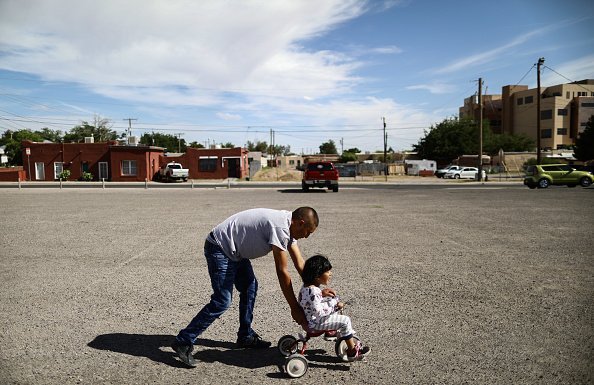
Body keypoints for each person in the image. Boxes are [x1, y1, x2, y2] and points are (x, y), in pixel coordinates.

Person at [171, 207, 321, 367]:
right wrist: (294, 307)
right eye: (308, 232)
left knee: (250, 287)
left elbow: (300, 264)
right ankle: (184, 341)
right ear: (300, 223)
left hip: (235, 251)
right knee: (222, 301)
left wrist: (318, 290)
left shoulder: (288, 226)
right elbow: (282, 271)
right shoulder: (281, 227)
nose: (306, 236)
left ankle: (245, 336)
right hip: (220, 248)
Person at [299, 254, 371, 362]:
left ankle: (331, 332)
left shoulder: (307, 287)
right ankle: (352, 352)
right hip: (316, 323)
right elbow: (319, 312)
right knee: (345, 321)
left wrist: (323, 295)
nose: (330, 274)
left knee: (330, 302)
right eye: (327, 272)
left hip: (310, 318)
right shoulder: (314, 291)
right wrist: (335, 306)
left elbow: (311, 302)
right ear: (317, 276)